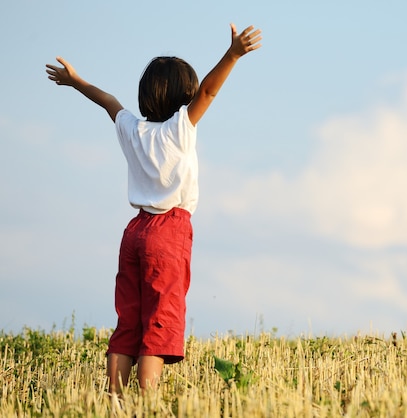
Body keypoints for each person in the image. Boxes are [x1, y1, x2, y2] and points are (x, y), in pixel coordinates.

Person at [45, 23, 262, 395]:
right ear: (184, 97)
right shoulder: (180, 128)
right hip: (169, 230)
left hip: (134, 233)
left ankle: (114, 398)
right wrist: (233, 55)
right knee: (159, 322)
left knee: (128, 320)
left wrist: (75, 81)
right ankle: (147, 403)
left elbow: (108, 100)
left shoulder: (133, 129)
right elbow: (209, 92)